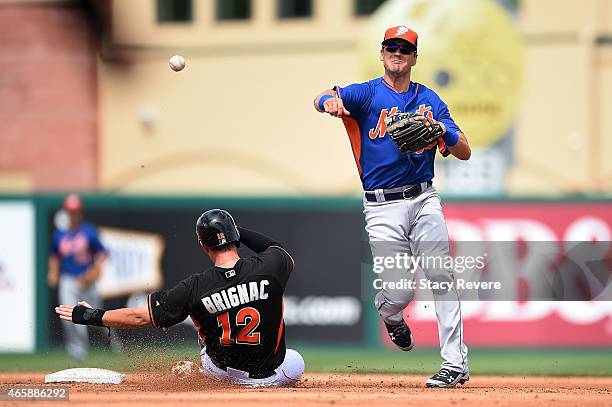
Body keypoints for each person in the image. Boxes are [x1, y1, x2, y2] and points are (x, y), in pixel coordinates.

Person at [313, 25, 471, 388]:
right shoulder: (367, 94)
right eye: (391, 47)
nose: (397, 53)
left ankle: (455, 363)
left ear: (414, 57)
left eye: (405, 48)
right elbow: (323, 96)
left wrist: (442, 132)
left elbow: (464, 149)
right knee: (399, 293)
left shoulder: (429, 100)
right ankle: (391, 315)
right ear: (382, 54)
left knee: (441, 275)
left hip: (423, 197)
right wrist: (330, 103)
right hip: (381, 207)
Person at [55, 209, 305, 387]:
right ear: (236, 239)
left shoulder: (195, 287)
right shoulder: (271, 266)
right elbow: (276, 248)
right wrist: (234, 231)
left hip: (222, 375)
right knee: (296, 362)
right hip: (271, 377)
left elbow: (140, 317)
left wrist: (91, 315)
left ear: (203, 245)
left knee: (203, 320)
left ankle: (208, 373)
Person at [48, 193, 108, 361]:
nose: (73, 214)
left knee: (96, 317)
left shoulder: (89, 230)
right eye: (70, 211)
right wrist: (53, 272)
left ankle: (110, 340)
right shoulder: (60, 234)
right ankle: (77, 352)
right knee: (69, 315)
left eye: (75, 211)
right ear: (66, 212)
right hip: (69, 280)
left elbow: (102, 253)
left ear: (80, 212)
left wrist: (95, 270)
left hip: (87, 281)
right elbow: (54, 255)